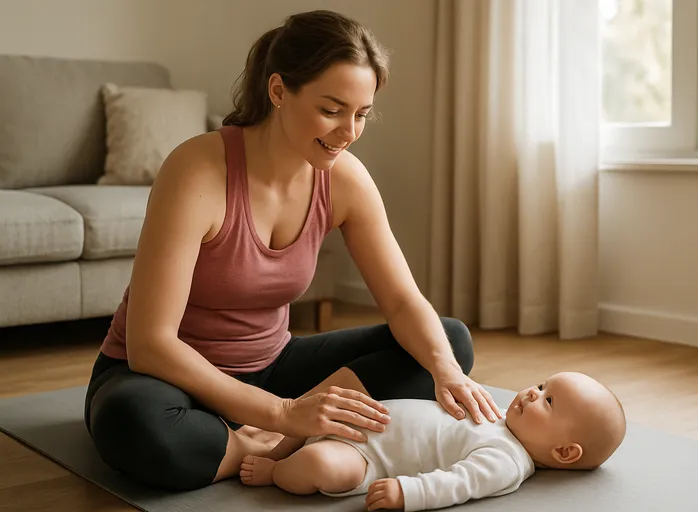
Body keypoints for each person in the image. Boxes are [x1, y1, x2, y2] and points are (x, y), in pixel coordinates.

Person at [83, 9, 502, 492]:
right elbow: (151, 345)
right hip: (166, 380)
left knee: (447, 342)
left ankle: (250, 443)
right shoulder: (196, 170)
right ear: (279, 91)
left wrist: (446, 370)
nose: (349, 132)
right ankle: (274, 442)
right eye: (332, 110)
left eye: (361, 114)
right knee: (133, 421)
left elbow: (404, 302)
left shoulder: (344, 179)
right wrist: (284, 413)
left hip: (272, 367)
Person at [239, 372, 627, 511]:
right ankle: (281, 438)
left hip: (366, 456)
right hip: (363, 418)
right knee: (331, 403)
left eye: (548, 401)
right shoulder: (500, 416)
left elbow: (460, 483)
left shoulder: (507, 459)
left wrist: (408, 493)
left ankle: (277, 470)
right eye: (541, 385)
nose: (531, 393)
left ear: (563, 452)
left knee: (322, 466)